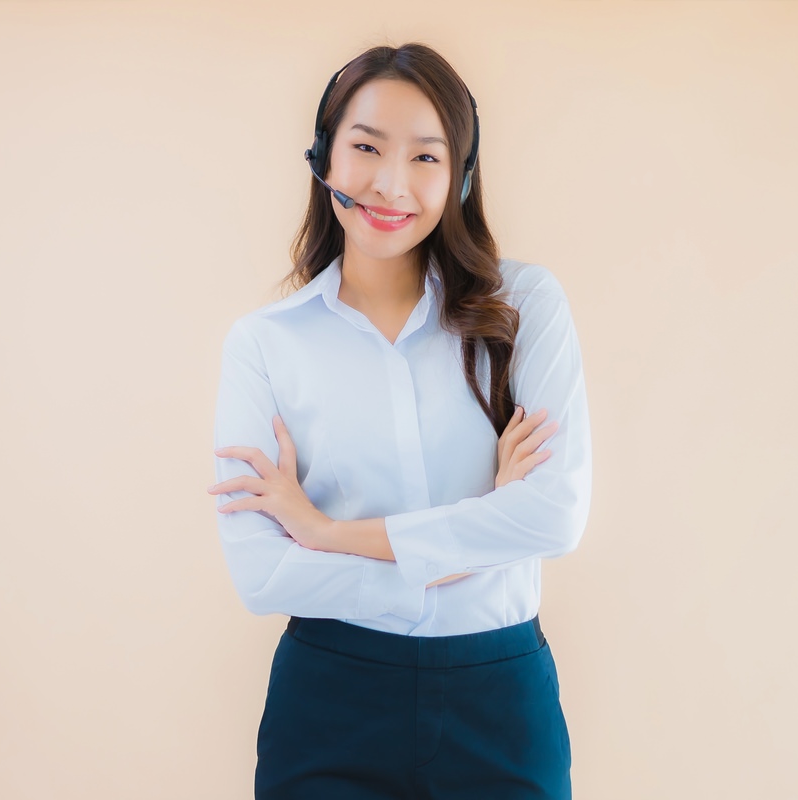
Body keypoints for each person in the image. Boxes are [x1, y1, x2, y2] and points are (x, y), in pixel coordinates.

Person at [208, 42, 591, 799]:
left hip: (500, 699)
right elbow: (261, 575)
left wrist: (327, 535)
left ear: (460, 178)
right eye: (365, 147)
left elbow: (555, 517)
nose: (390, 183)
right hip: (330, 699)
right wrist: (484, 526)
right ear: (322, 159)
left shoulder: (524, 308)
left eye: (426, 157)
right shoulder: (265, 344)